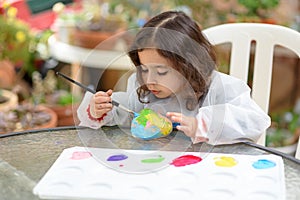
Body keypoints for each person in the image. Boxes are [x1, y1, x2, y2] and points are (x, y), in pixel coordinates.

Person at [77, 10, 271, 145]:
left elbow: (255, 121)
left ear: (189, 66)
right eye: (144, 69)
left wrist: (202, 125)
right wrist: (100, 109)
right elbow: (126, 113)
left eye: (161, 71)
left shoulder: (221, 88)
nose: (149, 79)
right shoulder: (143, 89)